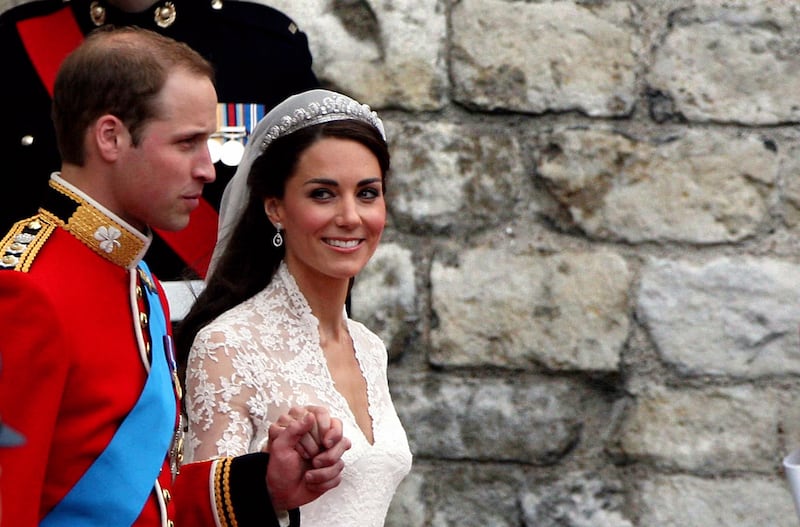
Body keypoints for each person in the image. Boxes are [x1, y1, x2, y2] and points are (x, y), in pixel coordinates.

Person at [0, 27, 350, 527]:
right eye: (188, 143)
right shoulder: (23, 289)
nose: (208, 169)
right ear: (111, 137)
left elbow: (149, 496)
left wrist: (264, 483)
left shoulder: (136, 279)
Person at [175, 89, 413, 526]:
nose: (349, 216)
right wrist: (271, 487)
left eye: (367, 193)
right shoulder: (227, 345)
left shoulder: (370, 347)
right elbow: (199, 516)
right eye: (323, 194)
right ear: (275, 208)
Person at [0, 0, 319, 281]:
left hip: (229, 319)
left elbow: (317, 209)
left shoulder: (264, 47)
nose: (205, 170)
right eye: (187, 142)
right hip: (68, 305)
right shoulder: (13, 46)